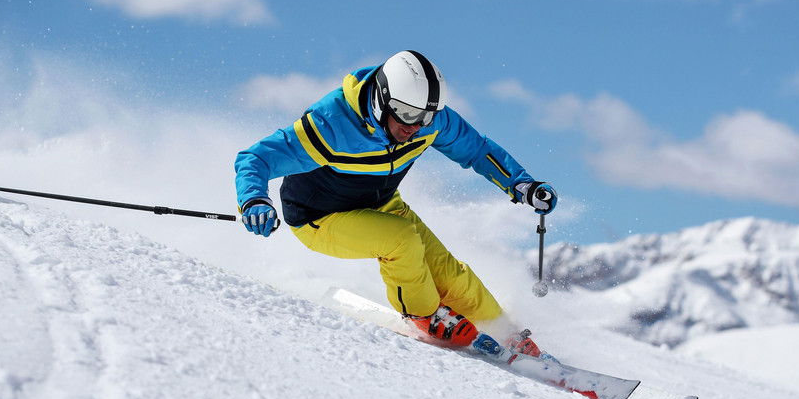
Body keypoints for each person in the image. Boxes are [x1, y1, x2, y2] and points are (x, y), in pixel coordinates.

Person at [234, 50, 558, 352]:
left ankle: (504, 332)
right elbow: (255, 159)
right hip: (319, 216)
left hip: (381, 205)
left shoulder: (429, 123)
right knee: (400, 241)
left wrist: (522, 185)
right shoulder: (331, 124)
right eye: (406, 114)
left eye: (425, 117)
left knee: (451, 274)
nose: (414, 127)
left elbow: (476, 150)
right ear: (381, 100)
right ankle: (424, 314)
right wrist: (254, 201)